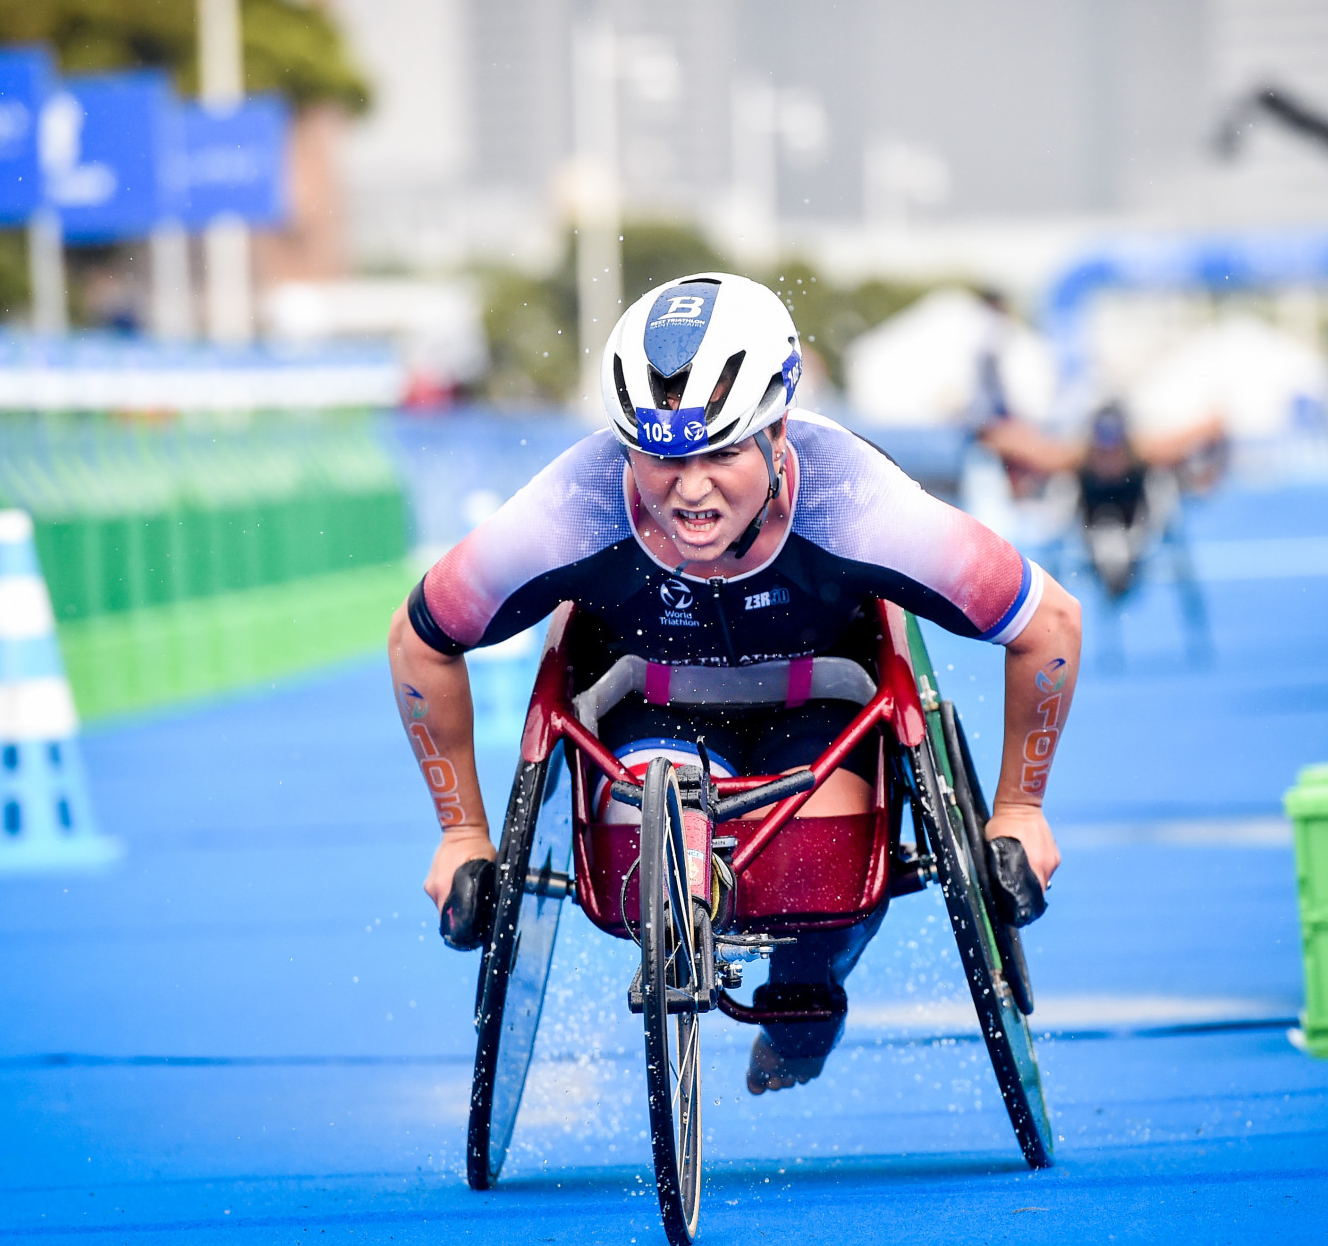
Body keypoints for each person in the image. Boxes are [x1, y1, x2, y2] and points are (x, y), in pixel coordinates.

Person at [388, 273, 1082, 1095]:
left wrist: (1020, 810)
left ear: (777, 428)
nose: (689, 488)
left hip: (824, 717)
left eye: (719, 450)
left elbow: (1050, 626)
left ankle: (808, 988)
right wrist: (463, 832)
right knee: (658, 836)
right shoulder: (574, 505)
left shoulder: (855, 500)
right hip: (652, 715)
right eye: (660, 455)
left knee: (818, 871)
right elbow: (419, 640)